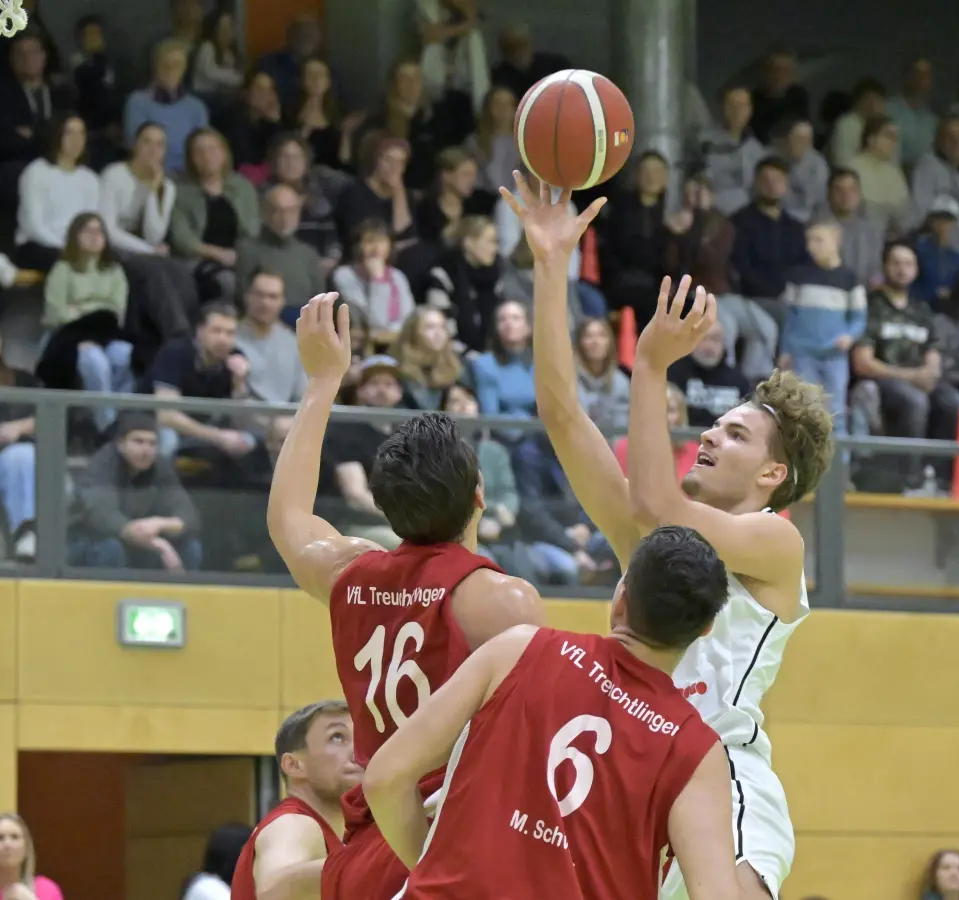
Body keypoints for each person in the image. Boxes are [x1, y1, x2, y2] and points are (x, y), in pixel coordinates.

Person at [504, 172, 833, 900]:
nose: (711, 434)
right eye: (717, 424)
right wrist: (551, 267)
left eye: (736, 434)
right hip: (633, 772)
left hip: (722, 770)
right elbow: (563, 416)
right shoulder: (653, 542)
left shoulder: (776, 544)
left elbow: (657, 502)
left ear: (773, 473)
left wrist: (650, 363)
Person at [263, 293, 546, 900]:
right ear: (479, 495)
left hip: (372, 843)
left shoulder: (347, 573)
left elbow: (287, 519)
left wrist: (322, 383)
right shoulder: (503, 601)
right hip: (450, 837)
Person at [365, 526, 741, 900]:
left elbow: (384, 779)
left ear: (621, 599)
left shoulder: (518, 649)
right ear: (705, 628)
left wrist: (434, 870)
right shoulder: (697, 751)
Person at [228, 701, 362, 900]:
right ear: (294, 765)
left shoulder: (338, 835)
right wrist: (374, 861)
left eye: (360, 738)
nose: (359, 751)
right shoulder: (293, 823)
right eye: (337, 737)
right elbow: (274, 889)